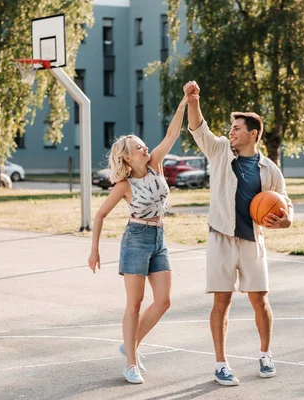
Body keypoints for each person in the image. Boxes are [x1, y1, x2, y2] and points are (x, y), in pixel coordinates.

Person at [183, 81, 293, 386]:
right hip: (220, 238)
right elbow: (198, 128)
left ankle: (266, 355)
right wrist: (193, 100)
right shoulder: (219, 151)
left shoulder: (268, 168)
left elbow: (285, 202)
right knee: (222, 302)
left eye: (236, 128)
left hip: (252, 240)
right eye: (230, 127)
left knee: (261, 301)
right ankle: (221, 363)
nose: (231, 132)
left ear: (253, 134)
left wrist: (286, 221)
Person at [88, 95, 188, 384]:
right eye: (137, 147)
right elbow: (99, 216)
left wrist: (182, 102)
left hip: (159, 236)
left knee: (163, 301)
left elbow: (172, 134)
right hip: (136, 238)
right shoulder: (123, 185)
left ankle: (129, 344)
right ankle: (130, 362)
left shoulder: (156, 163)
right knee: (134, 304)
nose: (144, 147)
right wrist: (94, 251)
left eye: (143, 144)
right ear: (127, 158)